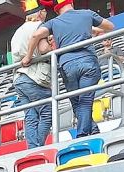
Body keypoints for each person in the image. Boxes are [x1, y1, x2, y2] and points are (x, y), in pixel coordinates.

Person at [22, 0, 114, 138]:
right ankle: (84, 134)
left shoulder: (54, 22)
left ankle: (91, 131)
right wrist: (89, 28)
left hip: (67, 66)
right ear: (71, 3)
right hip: (88, 62)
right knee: (85, 100)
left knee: (77, 102)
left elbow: (36, 35)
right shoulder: (86, 14)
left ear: (57, 9)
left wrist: (28, 57)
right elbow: (110, 26)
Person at [12, 0, 54, 149]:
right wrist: (52, 46)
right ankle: (37, 147)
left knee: (30, 116)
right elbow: (43, 49)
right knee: (48, 113)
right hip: (35, 76)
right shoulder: (39, 26)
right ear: (39, 13)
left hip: (19, 78)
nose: (45, 15)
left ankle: (32, 148)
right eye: (44, 12)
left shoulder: (17, 32)